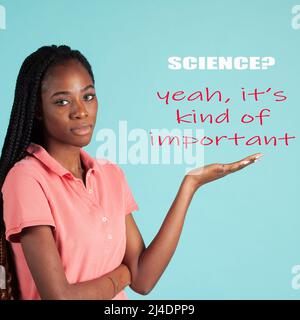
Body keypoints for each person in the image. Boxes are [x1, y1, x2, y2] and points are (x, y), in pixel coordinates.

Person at [0, 45, 263, 300]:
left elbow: (143, 279)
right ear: (37, 110)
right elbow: (60, 297)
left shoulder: (110, 176)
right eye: (62, 101)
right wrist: (120, 277)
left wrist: (190, 185)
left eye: (88, 96)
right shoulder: (26, 179)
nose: (80, 111)